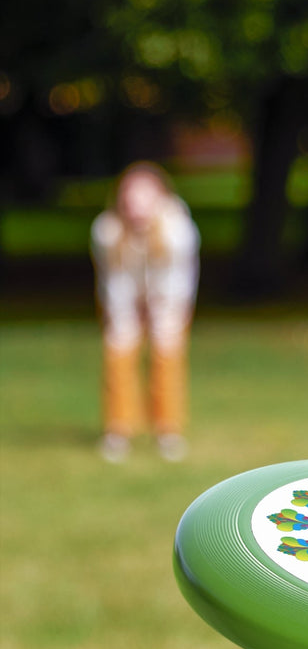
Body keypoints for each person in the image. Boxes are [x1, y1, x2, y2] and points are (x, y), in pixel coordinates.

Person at [91, 161, 200, 462]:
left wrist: (160, 312)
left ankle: (168, 430)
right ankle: (118, 430)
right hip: (123, 298)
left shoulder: (178, 230)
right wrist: (126, 315)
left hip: (168, 299)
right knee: (118, 351)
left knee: (167, 355)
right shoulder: (107, 230)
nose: (136, 205)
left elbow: (177, 280)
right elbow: (114, 280)